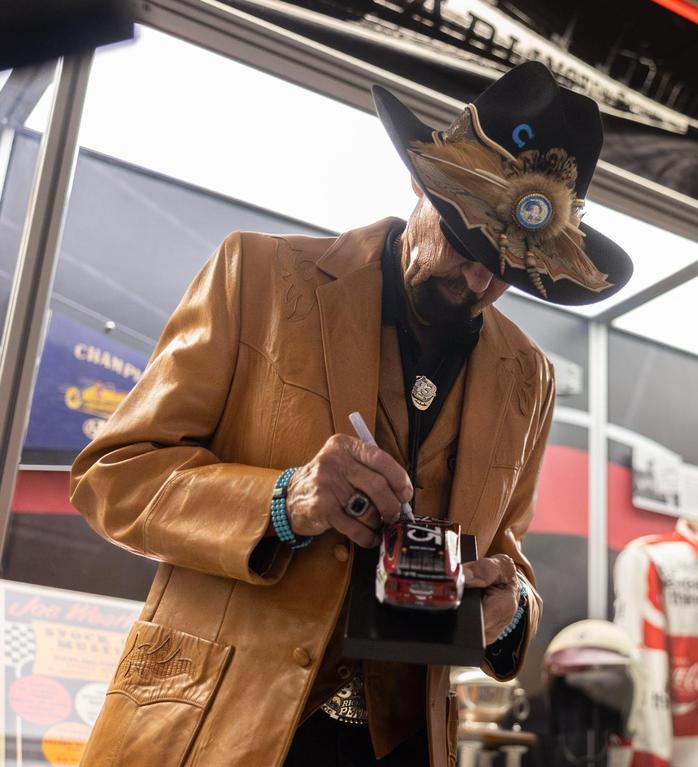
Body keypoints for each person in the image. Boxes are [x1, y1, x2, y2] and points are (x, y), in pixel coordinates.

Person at [69, 61, 632, 767]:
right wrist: (283, 501)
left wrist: (511, 607)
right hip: (214, 726)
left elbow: (505, 555)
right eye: (467, 243)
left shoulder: (530, 379)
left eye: (511, 269)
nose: (481, 279)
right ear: (421, 186)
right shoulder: (258, 277)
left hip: (398, 747)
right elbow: (111, 476)